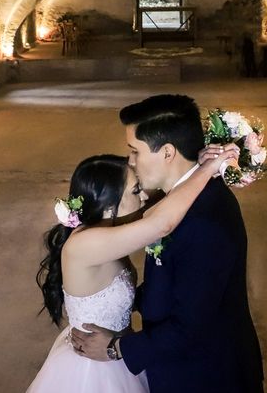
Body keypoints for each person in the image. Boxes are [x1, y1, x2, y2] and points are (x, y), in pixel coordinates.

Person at [71, 94, 264, 393]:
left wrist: (116, 349)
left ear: (168, 153)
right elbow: (174, 282)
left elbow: (189, 326)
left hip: (206, 376)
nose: (130, 162)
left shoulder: (204, 219)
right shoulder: (180, 198)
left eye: (134, 151)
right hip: (179, 367)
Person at [28, 144, 237, 392]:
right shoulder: (85, 244)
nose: (145, 196)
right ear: (109, 205)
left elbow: (167, 200)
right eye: (136, 190)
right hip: (93, 368)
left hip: (117, 352)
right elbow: (162, 223)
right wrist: (207, 169)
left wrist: (191, 169)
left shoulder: (107, 226)